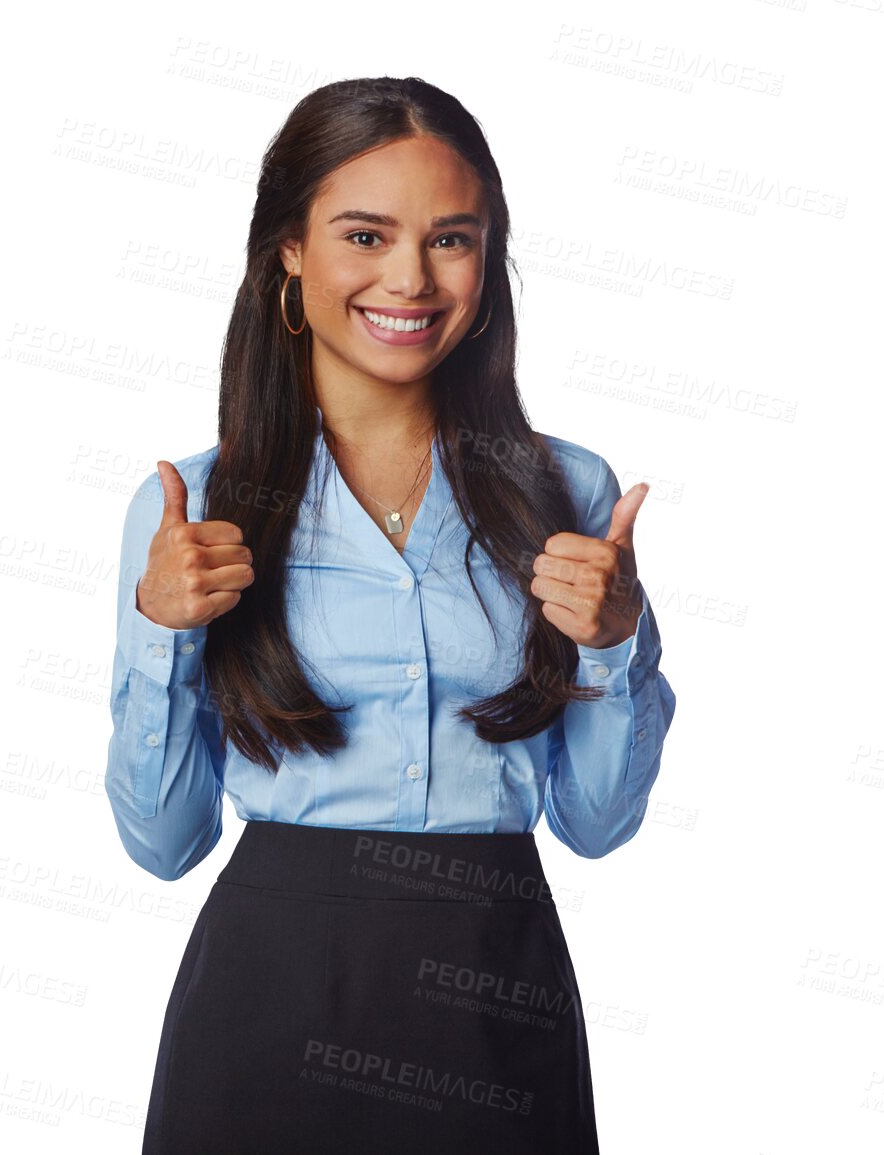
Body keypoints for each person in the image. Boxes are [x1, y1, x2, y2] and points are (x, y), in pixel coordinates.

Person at [103, 77, 677, 1154]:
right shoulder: (199, 505)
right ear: (289, 251)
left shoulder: (567, 495)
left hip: (496, 985)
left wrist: (611, 647)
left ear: (488, 261)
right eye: (364, 233)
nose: (409, 278)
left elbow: (597, 826)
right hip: (269, 990)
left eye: (450, 239)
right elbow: (163, 843)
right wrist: (162, 629)